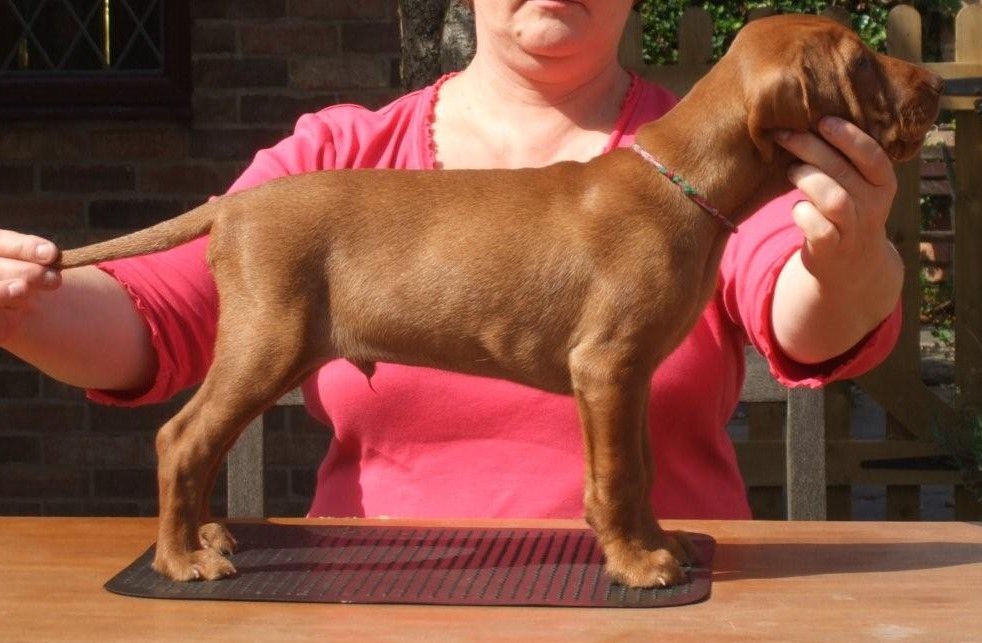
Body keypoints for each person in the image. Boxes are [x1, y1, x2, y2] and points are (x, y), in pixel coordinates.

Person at [0, 1, 904, 519]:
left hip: (660, 609)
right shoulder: (338, 163)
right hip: (374, 600)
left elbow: (800, 298)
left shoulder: (714, 160)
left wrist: (850, 255)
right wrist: (24, 298)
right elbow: (159, 310)